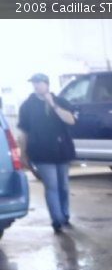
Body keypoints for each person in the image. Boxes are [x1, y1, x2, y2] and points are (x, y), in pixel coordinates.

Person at [18, 73, 76, 234]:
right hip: (41, 151)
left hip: (62, 150)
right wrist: (23, 154)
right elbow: (24, 132)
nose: (36, 86)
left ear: (47, 84)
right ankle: (57, 220)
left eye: (39, 82)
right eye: (34, 83)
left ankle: (64, 215)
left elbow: (70, 120)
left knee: (63, 185)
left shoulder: (60, 102)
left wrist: (53, 105)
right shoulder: (27, 106)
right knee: (52, 186)